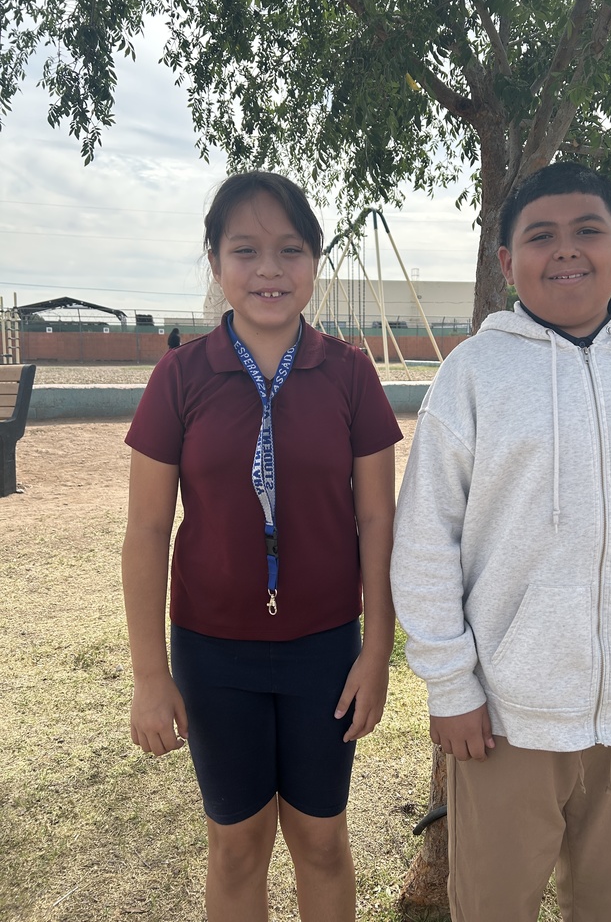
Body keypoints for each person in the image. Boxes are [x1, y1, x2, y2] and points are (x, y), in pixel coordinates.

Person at [390, 162, 611, 922]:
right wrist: (451, 685)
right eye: (541, 236)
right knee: (493, 907)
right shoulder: (471, 377)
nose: (566, 250)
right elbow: (425, 542)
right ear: (507, 262)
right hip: (507, 716)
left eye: (588, 232)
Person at [122, 170, 402, 922]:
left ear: (314, 262)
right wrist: (151, 675)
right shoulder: (180, 376)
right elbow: (147, 530)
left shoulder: (350, 373)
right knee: (237, 846)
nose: (270, 270)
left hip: (324, 651)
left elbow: (378, 520)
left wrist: (377, 650)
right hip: (215, 655)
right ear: (216, 263)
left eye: (291, 249)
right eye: (245, 250)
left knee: (321, 842)